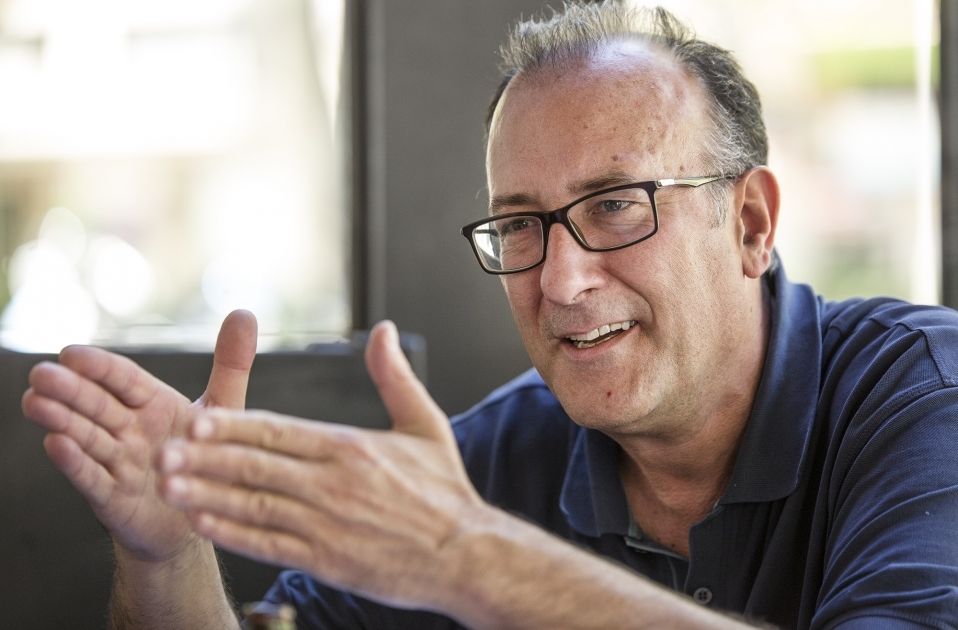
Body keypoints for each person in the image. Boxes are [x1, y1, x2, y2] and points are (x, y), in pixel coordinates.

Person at [21, 2, 958, 628]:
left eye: (616, 205)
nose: (561, 280)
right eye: (520, 225)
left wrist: (467, 557)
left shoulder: (924, 400)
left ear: (748, 224)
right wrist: (168, 557)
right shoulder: (496, 458)